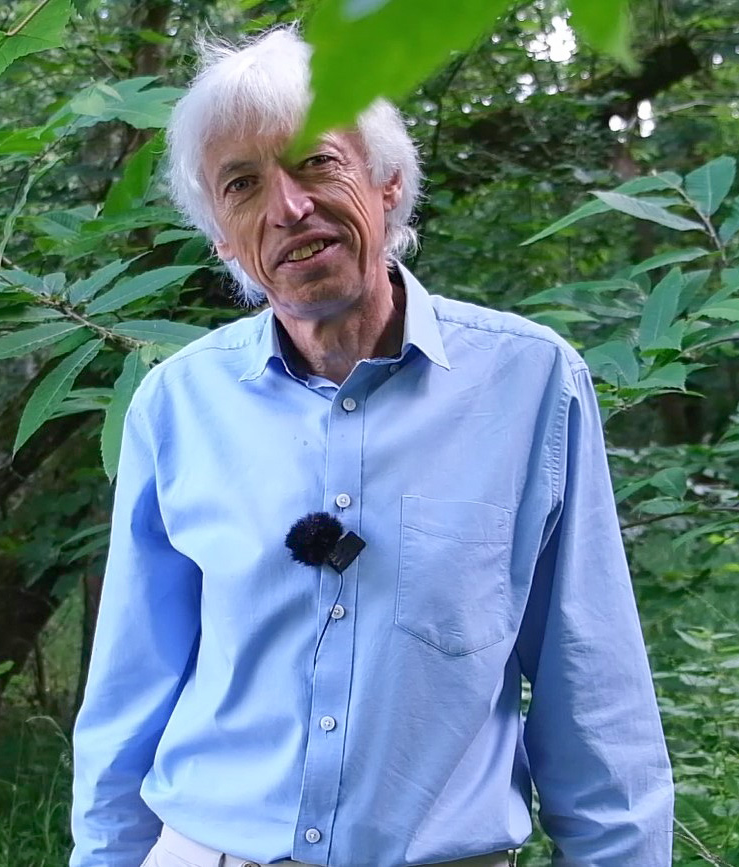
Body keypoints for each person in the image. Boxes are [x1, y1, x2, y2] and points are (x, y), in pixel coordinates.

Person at [69, 26, 673, 867]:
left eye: (317, 162)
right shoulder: (177, 404)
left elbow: (592, 689)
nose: (287, 208)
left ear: (389, 183)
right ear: (222, 239)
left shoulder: (530, 384)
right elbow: (129, 689)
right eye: (242, 185)